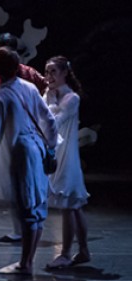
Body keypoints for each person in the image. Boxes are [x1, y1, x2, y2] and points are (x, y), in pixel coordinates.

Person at [0, 48, 57, 275]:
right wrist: (50, 148)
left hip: (21, 153)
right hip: (37, 148)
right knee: (37, 206)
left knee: (27, 206)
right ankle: (27, 261)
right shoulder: (29, 87)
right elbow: (48, 119)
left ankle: (25, 264)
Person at [43, 55, 91, 269]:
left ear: (64, 73)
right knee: (74, 206)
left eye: (53, 71)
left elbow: (54, 122)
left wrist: (51, 101)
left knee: (70, 205)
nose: (49, 76)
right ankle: (83, 250)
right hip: (56, 153)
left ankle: (65, 253)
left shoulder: (71, 98)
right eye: (46, 71)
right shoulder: (49, 94)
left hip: (67, 157)